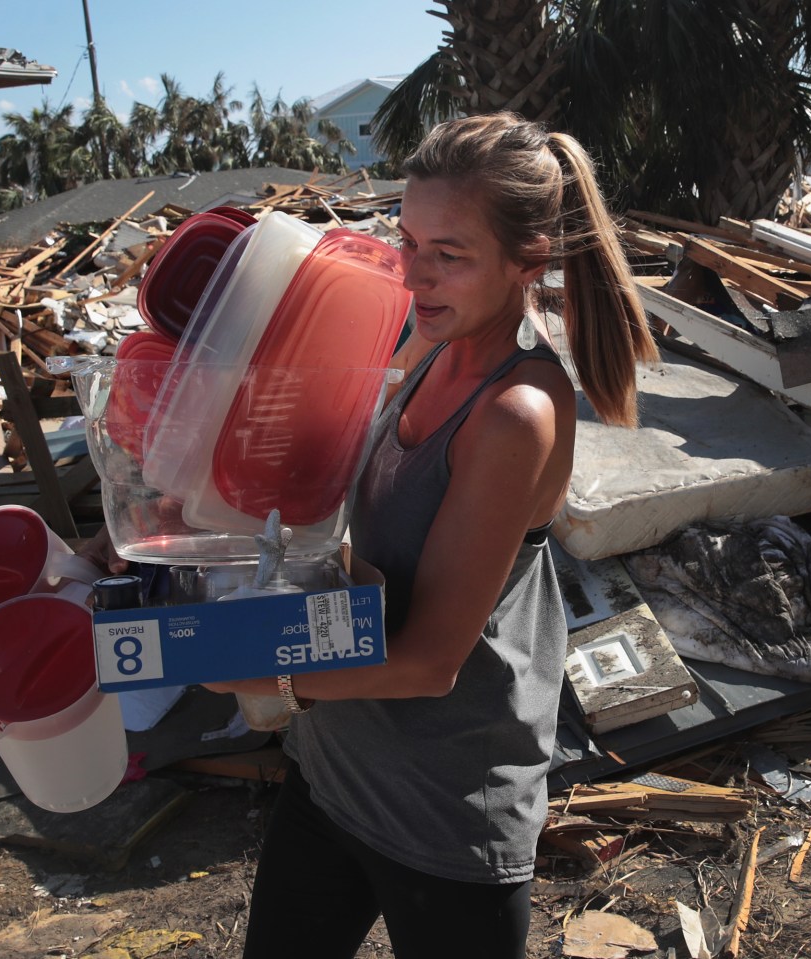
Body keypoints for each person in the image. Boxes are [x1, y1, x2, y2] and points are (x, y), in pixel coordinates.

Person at [204, 111, 659, 959]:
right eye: (407, 240)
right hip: (332, 767)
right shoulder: (423, 345)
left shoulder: (514, 414)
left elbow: (429, 659)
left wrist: (265, 675)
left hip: (443, 807)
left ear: (530, 261)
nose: (414, 274)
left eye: (449, 254)